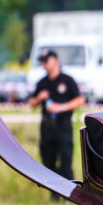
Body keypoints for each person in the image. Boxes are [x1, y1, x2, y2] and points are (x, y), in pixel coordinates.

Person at [28, 50, 86, 197]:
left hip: (63, 125)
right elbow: (32, 103)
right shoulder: (42, 83)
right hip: (47, 127)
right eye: (43, 61)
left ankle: (70, 195)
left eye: (47, 61)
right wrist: (40, 98)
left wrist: (61, 107)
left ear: (56, 61)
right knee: (48, 162)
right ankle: (54, 196)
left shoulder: (67, 80)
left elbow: (80, 100)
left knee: (66, 160)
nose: (45, 64)